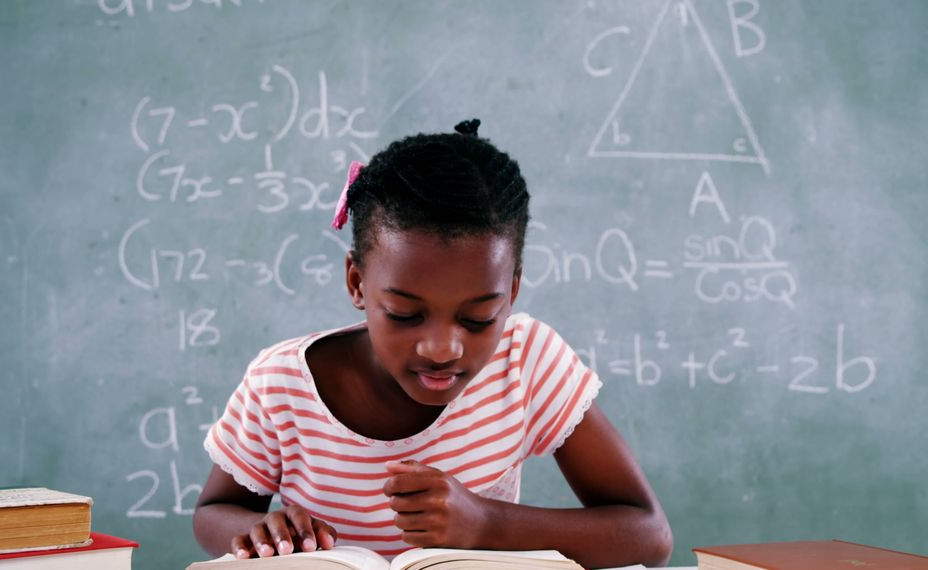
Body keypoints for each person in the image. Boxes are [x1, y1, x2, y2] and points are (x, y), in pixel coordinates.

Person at [192, 119, 673, 568]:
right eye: (405, 314)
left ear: (513, 292)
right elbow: (215, 511)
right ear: (357, 283)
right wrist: (259, 531)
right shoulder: (280, 385)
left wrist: (487, 523)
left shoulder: (527, 361)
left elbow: (648, 535)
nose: (442, 349)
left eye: (479, 317)